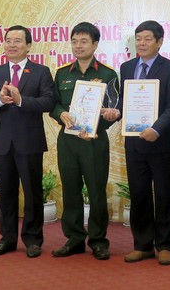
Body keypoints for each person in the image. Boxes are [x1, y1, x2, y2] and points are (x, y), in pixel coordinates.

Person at [103, 20, 170, 266]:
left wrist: (156, 129)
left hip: (163, 143)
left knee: (165, 195)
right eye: (138, 39)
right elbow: (124, 101)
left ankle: (166, 246)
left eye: (148, 39)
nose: (142, 43)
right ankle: (143, 245)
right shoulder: (127, 67)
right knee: (139, 195)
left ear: (160, 42)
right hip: (135, 143)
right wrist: (116, 112)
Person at [0, 25, 55, 259]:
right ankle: (7, 239)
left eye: (18, 41)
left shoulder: (41, 72)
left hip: (30, 142)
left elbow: (48, 103)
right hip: (2, 143)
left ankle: (33, 240)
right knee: (6, 193)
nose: (12, 45)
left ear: (28, 46)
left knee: (33, 193)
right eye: (8, 40)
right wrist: (0, 100)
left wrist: (22, 100)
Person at [49, 22, 119, 260]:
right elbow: (53, 104)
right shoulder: (62, 73)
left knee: (96, 191)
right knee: (70, 190)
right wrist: (61, 114)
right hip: (68, 140)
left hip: (94, 141)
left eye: (84, 41)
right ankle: (75, 238)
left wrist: (98, 127)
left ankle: (98, 241)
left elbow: (113, 108)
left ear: (95, 44)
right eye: (74, 41)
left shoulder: (108, 74)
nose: (78, 46)